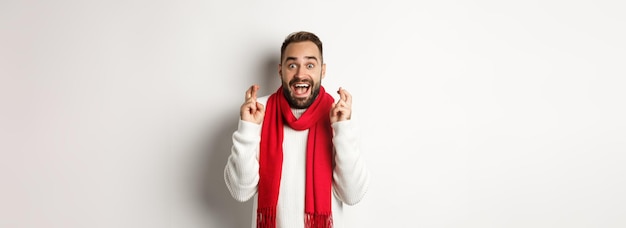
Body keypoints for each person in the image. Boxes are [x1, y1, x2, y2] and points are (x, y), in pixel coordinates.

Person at [224, 31, 370, 228]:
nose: (301, 74)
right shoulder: (258, 111)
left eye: (310, 65)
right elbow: (240, 191)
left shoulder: (339, 114)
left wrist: (342, 128)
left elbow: (352, 195)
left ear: (323, 70)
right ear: (280, 70)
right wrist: (248, 128)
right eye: (292, 65)